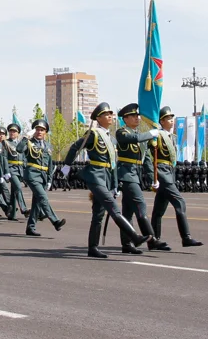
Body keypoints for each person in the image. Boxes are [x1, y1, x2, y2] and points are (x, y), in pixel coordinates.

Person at [63, 103, 151, 258]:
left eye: (111, 114)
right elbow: (75, 147)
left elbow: (113, 164)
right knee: (114, 208)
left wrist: (115, 185)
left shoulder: (111, 138)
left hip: (106, 177)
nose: (110, 116)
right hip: (95, 176)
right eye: (106, 114)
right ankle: (135, 237)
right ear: (98, 118)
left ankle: (93, 248)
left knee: (98, 214)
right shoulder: (93, 134)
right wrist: (67, 165)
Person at [115, 103, 169, 253]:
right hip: (126, 176)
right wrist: (151, 134)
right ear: (125, 119)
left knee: (127, 212)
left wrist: (153, 179)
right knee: (140, 206)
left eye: (137, 115)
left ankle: (126, 244)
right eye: (133, 116)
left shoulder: (139, 135)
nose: (137, 118)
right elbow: (135, 138)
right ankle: (152, 240)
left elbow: (145, 160)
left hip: (135, 176)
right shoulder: (122, 133)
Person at [149, 106, 203, 248]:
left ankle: (153, 240)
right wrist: (153, 176)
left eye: (172, 118)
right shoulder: (157, 135)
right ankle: (186, 237)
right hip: (162, 172)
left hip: (169, 172)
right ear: (161, 121)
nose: (171, 120)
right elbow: (149, 156)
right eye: (167, 118)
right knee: (180, 203)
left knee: (159, 209)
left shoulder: (170, 137)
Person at [17, 119, 65, 236]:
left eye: (42, 130)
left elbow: (50, 164)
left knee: (37, 203)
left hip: (43, 176)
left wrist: (49, 180)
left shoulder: (48, 145)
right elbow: (19, 149)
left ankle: (31, 227)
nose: (39, 132)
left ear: (45, 132)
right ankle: (55, 221)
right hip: (32, 174)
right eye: (37, 129)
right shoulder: (29, 143)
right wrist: (25, 137)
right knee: (43, 197)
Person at [3, 123, 29, 220]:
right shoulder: (6, 143)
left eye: (14, 131)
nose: (12, 133)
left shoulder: (21, 143)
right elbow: (4, 158)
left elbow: (25, 157)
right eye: (11, 131)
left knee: (14, 192)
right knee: (18, 187)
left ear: (18, 133)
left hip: (20, 169)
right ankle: (24, 209)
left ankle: (12, 214)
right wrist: (6, 171)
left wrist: (25, 168)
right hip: (11, 169)